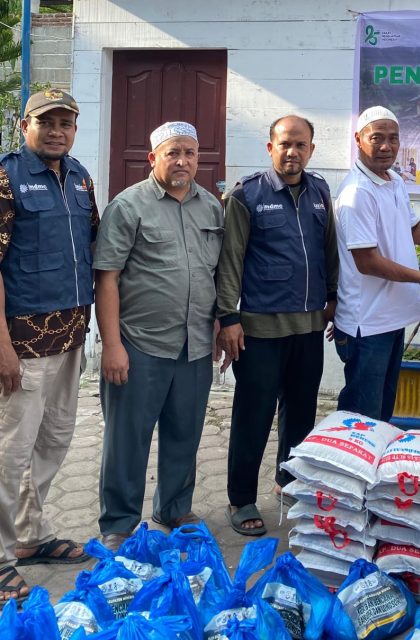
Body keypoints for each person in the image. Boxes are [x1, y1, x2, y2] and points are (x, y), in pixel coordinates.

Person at [94, 122, 223, 551]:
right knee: (127, 437)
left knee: (185, 432)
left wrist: (222, 322)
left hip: (195, 344)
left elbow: (217, 273)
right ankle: (119, 521)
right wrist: (111, 345)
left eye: (190, 152)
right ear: (154, 159)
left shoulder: (211, 207)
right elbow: (107, 278)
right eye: (173, 153)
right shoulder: (128, 206)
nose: (183, 160)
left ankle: (173, 507)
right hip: (139, 343)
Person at [216, 115, 338, 536]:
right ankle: (241, 498)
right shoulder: (247, 195)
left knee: (302, 410)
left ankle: (289, 481)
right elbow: (230, 260)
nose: (293, 152)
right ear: (270, 148)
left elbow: (329, 250)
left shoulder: (320, 192)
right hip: (260, 327)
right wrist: (228, 317)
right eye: (285, 144)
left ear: (311, 150)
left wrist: (335, 297)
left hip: (308, 324)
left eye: (301, 145)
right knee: (254, 413)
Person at [0, 89, 94, 603]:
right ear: (24, 125)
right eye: (47, 121)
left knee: (53, 444)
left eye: (66, 122)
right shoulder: (5, 178)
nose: (58, 130)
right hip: (22, 346)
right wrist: (2, 349)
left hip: (71, 339)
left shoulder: (80, 178)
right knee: (8, 453)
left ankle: (29, 538)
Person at [333, 105, 420, 422]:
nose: (386, 146)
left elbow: (413, 230)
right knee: (361, 419)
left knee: (382, 414)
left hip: (391, 319)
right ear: (358, 139)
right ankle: (347, 470)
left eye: (393, 138)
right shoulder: (358, 193)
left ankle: (370, 469)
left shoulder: (394, 180)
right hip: (366, 325)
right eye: (377, 138)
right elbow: (367, 262)